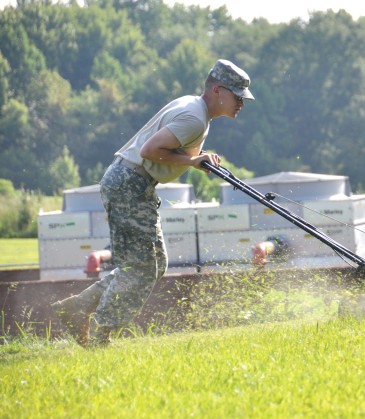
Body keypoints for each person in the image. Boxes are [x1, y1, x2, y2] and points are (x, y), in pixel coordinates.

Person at [51, 59, 254, 347]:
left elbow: (169, 147)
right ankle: (100, 334)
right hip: (129, 183)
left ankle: (78, 307)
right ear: (219, 90)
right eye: (237, 96)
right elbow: (150, 150)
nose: (241, 104)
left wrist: (197, 158)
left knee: (155, 264)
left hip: (132, 182)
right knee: (142, 267)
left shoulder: (194, 109)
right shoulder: (194, 117)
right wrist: (193, 162)